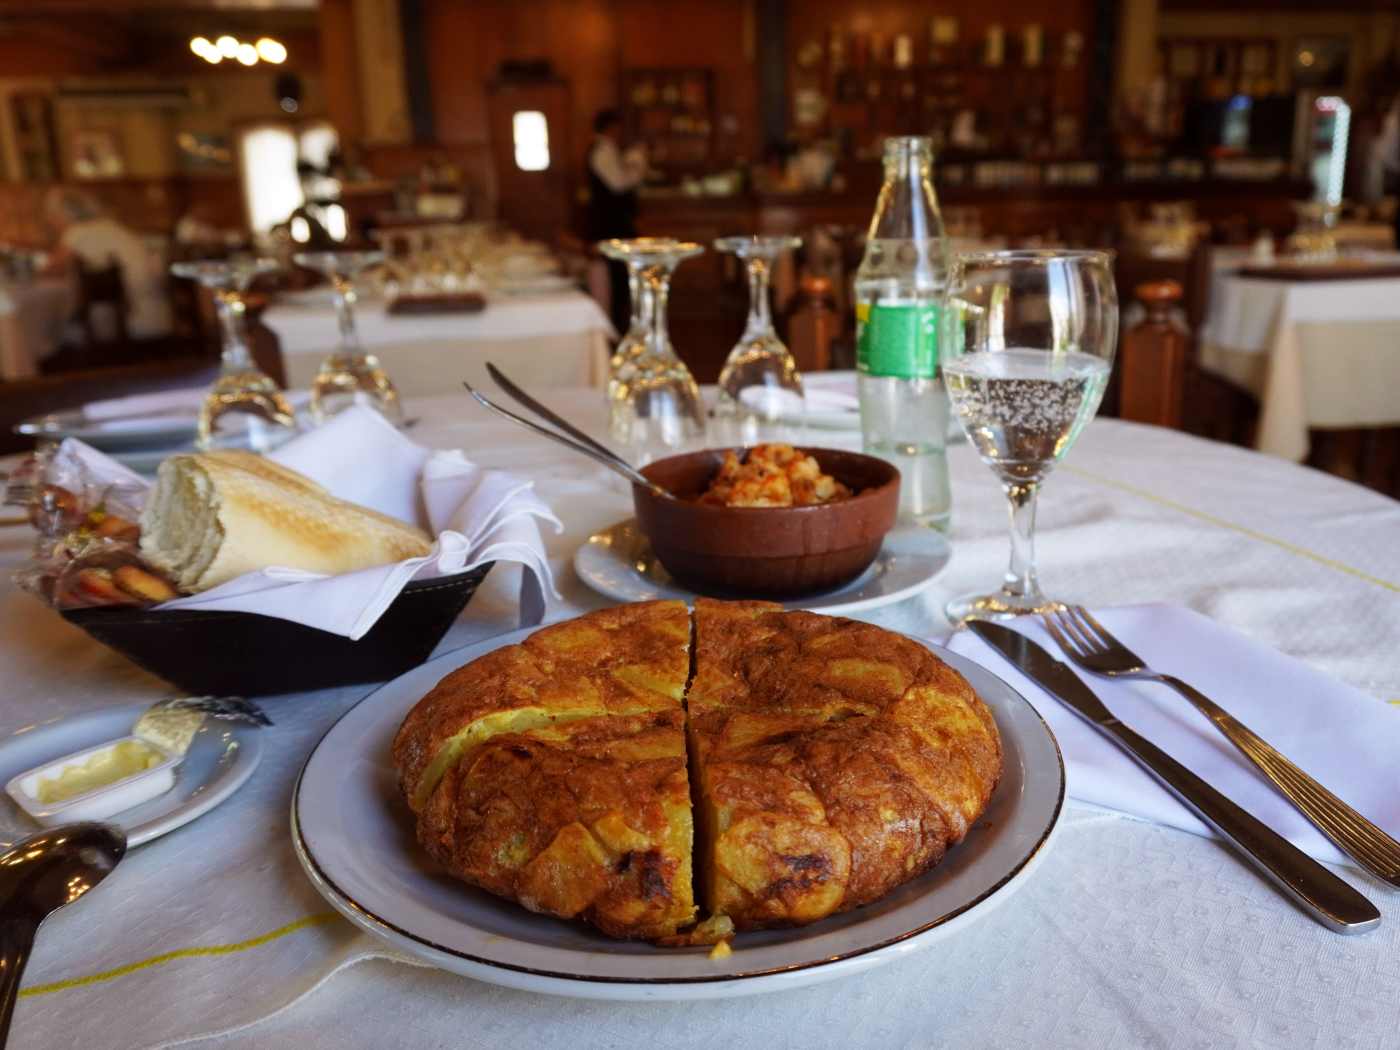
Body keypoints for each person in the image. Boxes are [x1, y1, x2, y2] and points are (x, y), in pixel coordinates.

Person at [43, 188, 172, 339]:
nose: (52, 223)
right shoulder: (113, 227)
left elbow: (50, 271)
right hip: (160, 319)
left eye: (52, 217)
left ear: (63, 215)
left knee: (51, 330)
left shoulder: (77, 232)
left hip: (126, 326)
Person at [586, 108, 647, 332]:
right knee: (615, 277)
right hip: (610, 224)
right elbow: (618, 184)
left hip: (617, 222)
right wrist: (637, 166)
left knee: (622, 276)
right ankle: (614, 328)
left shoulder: (609, 150)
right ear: (610, 128)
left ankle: (621, 325)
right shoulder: (602, 151)